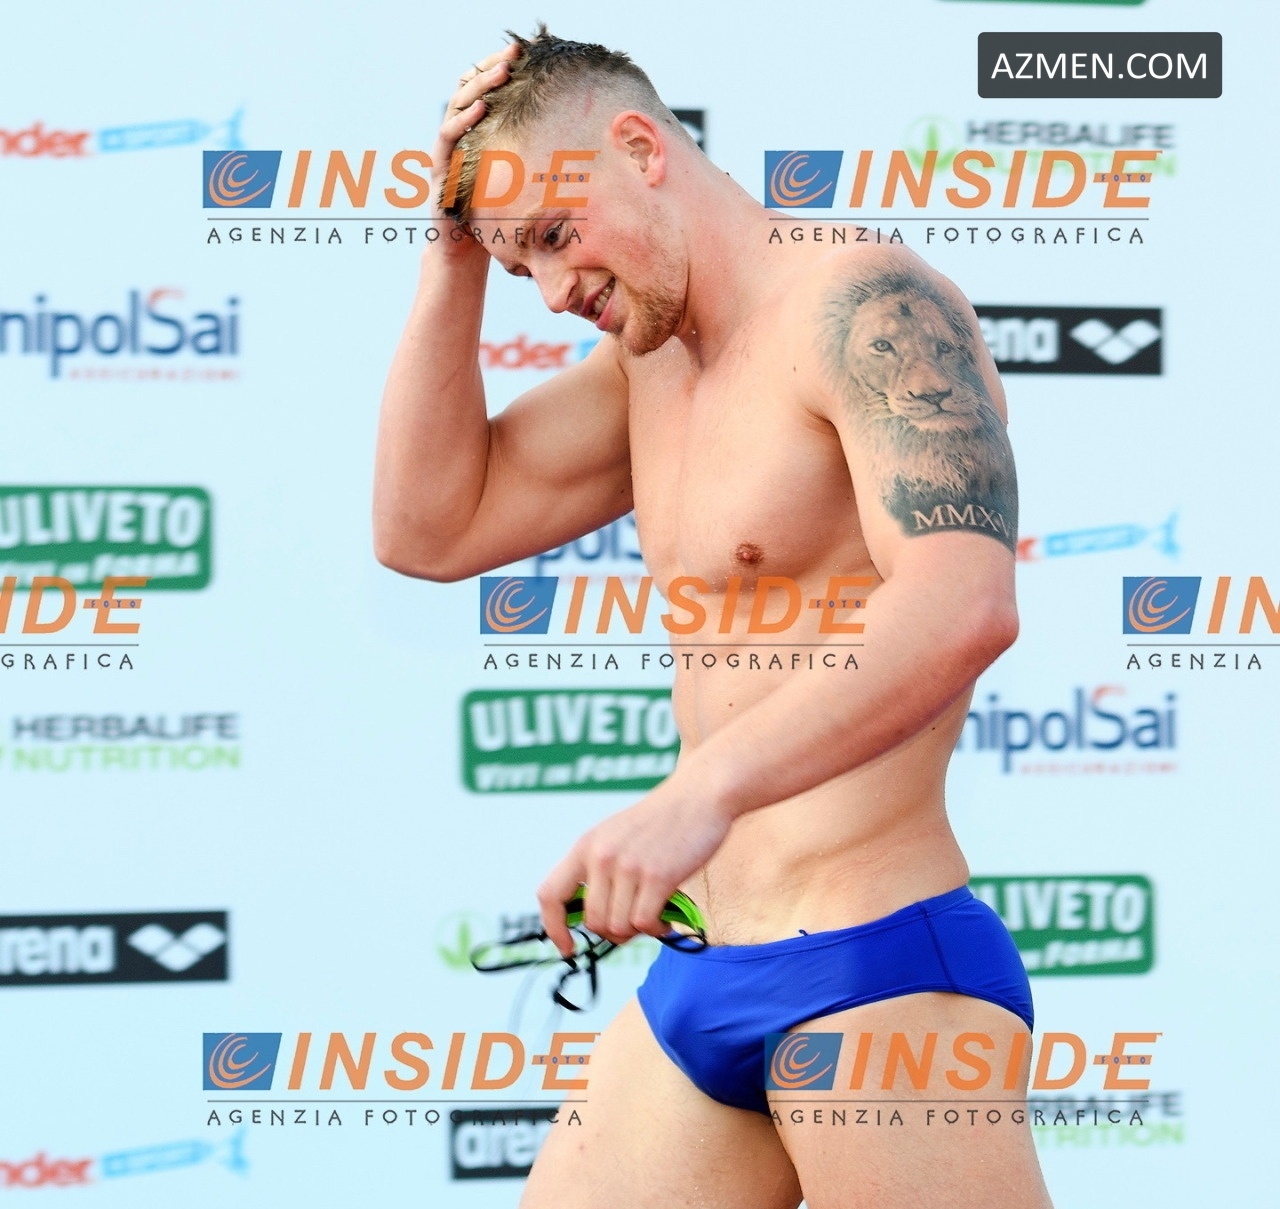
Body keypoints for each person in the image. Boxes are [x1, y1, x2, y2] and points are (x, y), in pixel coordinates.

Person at [375, 26, 1053, 1209]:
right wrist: (451, 256)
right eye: (519, 266)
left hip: (874, 965)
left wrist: (699, 794)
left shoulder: (865, 306)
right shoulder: (652, 362)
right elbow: (426, 530)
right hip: (703, 969)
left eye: (553, 236)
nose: (554, 292)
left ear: (640, 148)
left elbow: (963, 601)